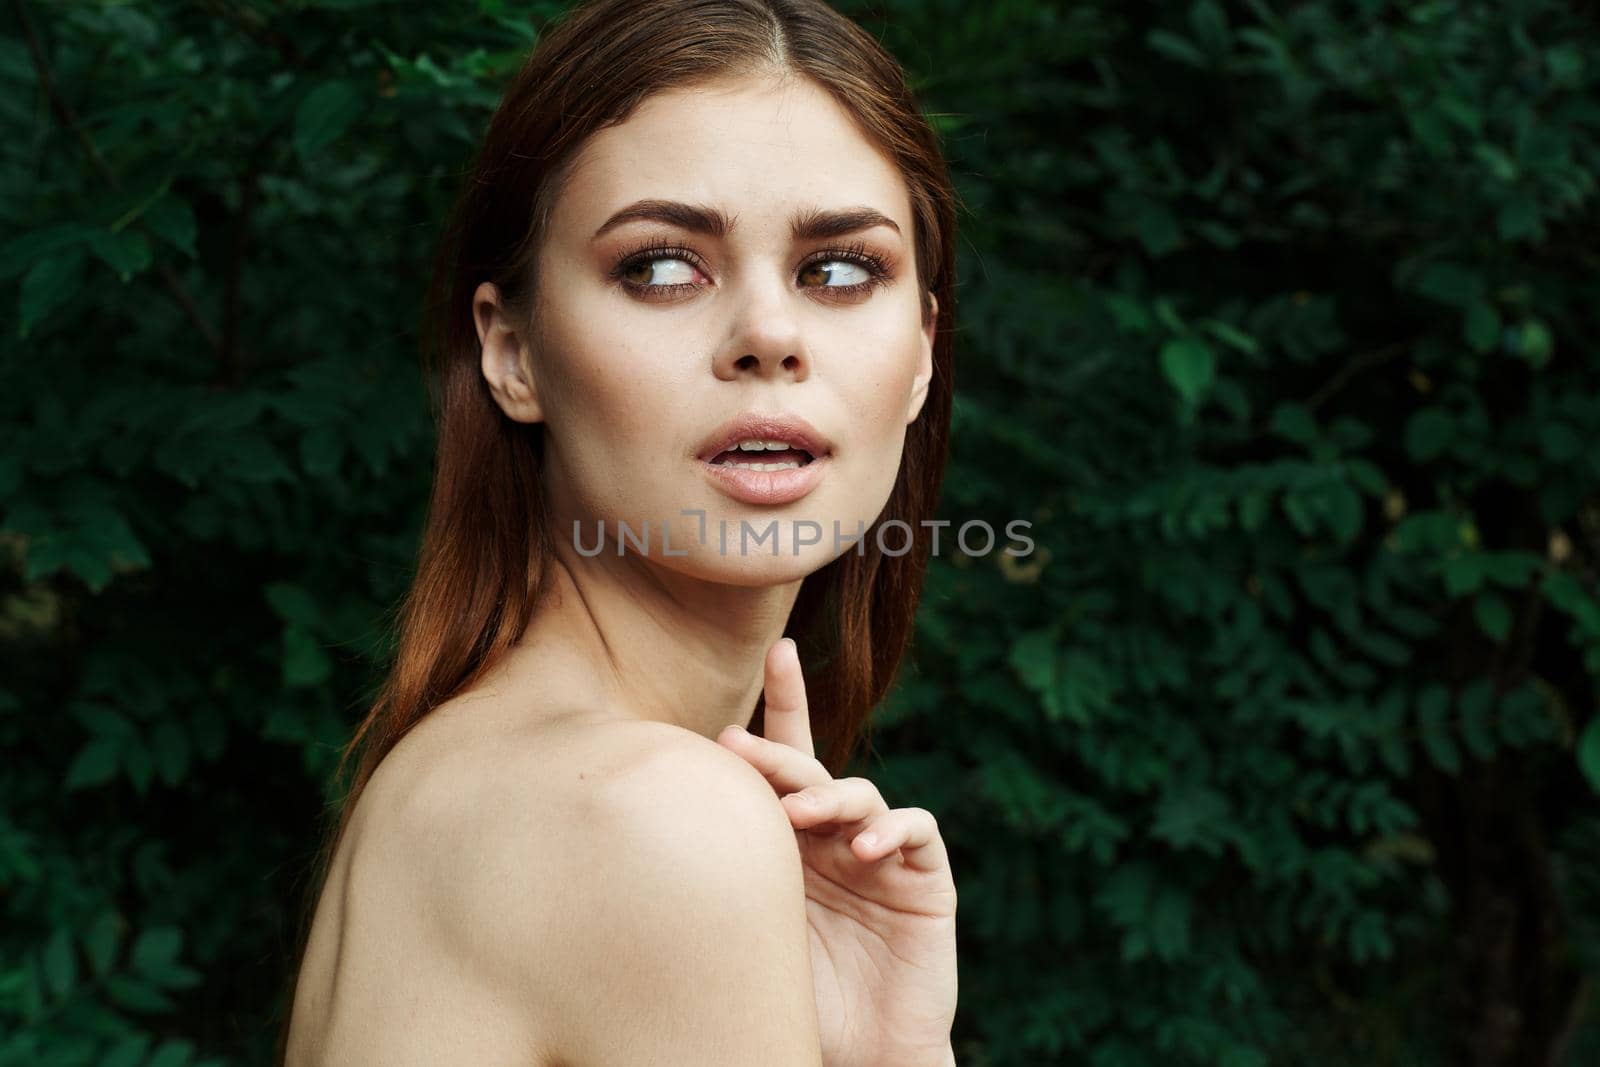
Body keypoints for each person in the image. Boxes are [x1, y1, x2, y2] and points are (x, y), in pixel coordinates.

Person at [277, 0, 960, 1063]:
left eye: (837, 269)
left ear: (921, 351)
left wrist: (888, 1053)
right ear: (512, 353)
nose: (769, 336)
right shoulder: (649, 819)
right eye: (660, 266)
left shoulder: (464, 773)